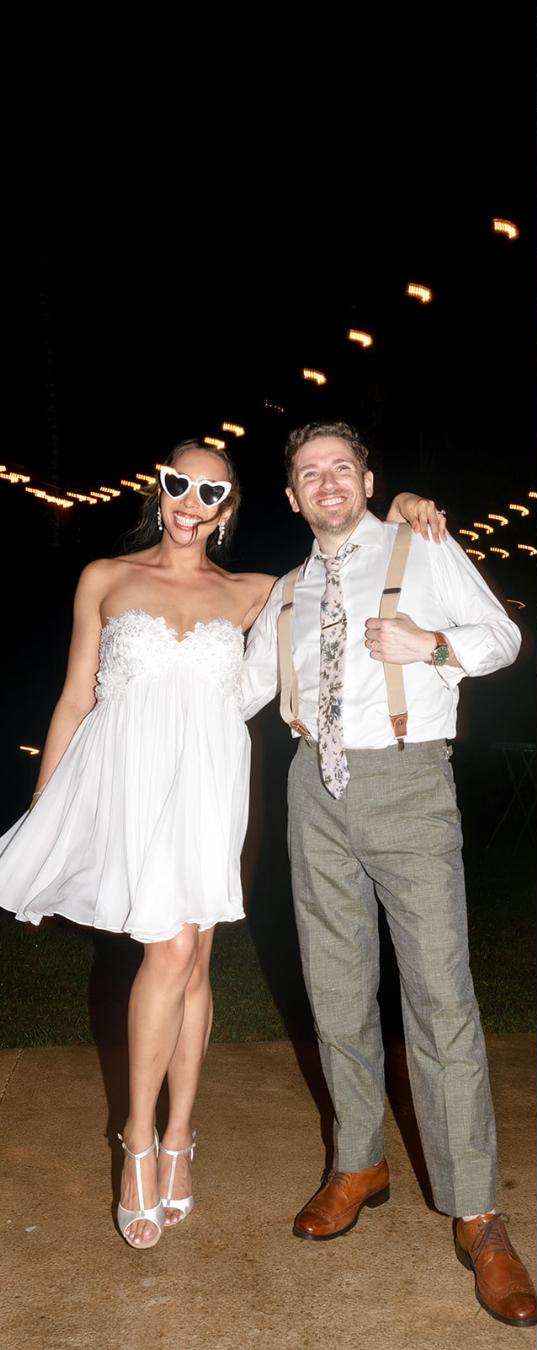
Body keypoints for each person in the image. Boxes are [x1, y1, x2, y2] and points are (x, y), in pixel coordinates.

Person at [0, 437, 440, 1250]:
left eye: (210, 491)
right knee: (168, 953)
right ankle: (139, 1141)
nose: (189, 502)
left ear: (229, 507)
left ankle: (180, 1137)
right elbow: (72, 701)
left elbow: (340, 573)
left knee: (195, 957)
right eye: (178, 483)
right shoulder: (104, 577)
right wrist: (45, 810)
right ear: (158, 488)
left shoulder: (258, 592)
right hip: (129, 782)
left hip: (209, 783)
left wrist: (406, 510)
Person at [239, 421, 534, 1327]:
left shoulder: (423, 544)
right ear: (290, 498)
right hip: (311, 789)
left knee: (441, 999)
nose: (326, 483)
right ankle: (358, 1161)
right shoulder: (287, 591)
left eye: (340, 468)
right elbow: (237, 693)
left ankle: (478, 1213)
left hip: (409, 781)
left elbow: (503, 638)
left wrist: (430, 648)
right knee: (335, 991)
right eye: (307, 474)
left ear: (367, 479)